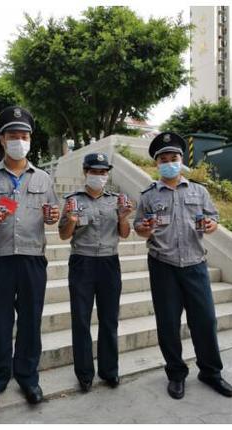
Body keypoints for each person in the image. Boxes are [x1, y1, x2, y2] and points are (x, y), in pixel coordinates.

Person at [0, 106, 59, 411]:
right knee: (0, 322)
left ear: (30, 139)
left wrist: (54, 216)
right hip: (0, 260)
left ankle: (29, 377)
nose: (20, 140)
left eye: (24, 136)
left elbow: (52, 216)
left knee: (31, 321)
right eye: (13, 136)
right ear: (2, 140)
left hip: (33, 258)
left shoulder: (44, 178)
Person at [134, 132, 232, 400]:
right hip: (162, 265)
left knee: (205, 320)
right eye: (164, 159)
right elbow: (139, 227)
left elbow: (212, 219)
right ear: (157, 164)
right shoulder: (148, 196)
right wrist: (144, 229)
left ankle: (210, 372)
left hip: (195, 264)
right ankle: (176, 374)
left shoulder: (199, 191)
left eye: (174, 158)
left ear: (182, 160)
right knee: (168, 323)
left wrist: (212, 225)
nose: (169, 162)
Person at [58, 153, 132, 392]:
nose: (99, 176)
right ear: (85, 171)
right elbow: (63, 234)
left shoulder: (116, 200)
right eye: (94, 171)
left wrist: (123, 217)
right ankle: (84, 374)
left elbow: (125, 233)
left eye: (103, 172)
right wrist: (71, 219)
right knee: (81, 320)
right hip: (82, 262)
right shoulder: (72, 200)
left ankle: (110, 371)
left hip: (110, 262)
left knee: (109, 319)